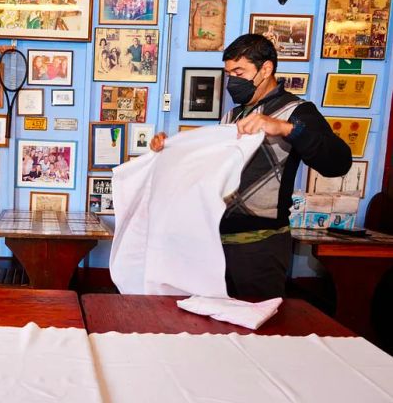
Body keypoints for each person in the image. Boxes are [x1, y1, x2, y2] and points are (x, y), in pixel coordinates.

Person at [149, 34, 352, 298]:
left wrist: (286, 128)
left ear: (266, 69)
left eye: (239, 71)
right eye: (228, 73)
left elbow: (338, 162)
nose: (232, 80)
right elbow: (210, 168)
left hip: (260, 248)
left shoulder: (297, 112)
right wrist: (170, 150)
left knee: (256, 331)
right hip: (214, 244)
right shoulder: (233, 115)